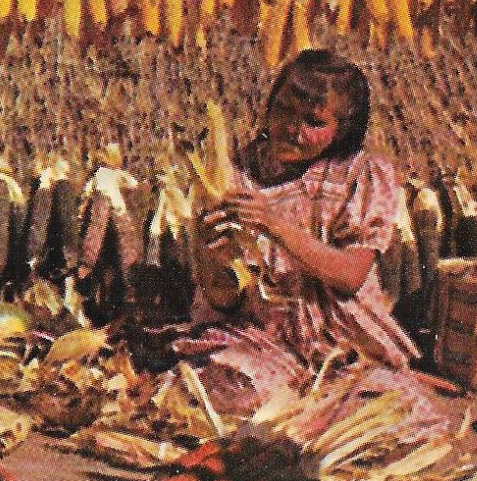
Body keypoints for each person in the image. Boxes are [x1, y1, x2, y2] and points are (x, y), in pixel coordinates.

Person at [174, 49, 421, 416]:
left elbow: (350, 276)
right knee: (226, 391)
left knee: (391, 411)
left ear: (342, 131)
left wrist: (276, 225)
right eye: (285, 111)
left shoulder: (362, 177)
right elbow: (224, 299)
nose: (293, 129)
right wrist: (214, 259)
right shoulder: (233, 173)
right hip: (261, 337)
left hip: (343, 343)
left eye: (314, 122)